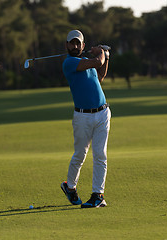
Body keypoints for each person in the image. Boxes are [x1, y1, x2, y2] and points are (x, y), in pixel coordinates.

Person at [60, 30, 111, 208]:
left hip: (103, 113)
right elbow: (97, 61)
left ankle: (98, 195)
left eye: (78, 43)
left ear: (83, 45)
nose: (74, 46)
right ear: (66, 45)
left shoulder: (84, 62)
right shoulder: (69, 63)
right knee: (80, 155)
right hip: (82, 116)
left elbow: (100, 76)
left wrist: (107, 57)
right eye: (71, 43)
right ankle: (70, 187)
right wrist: (101, 53)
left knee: (100, 155)